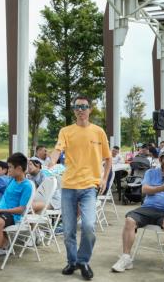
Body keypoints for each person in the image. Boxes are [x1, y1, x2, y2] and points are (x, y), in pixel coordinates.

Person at [48, 95, 112, 280]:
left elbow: (108, 159)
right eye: (77, 107)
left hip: (89, 187)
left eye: (84, 106)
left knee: (89, 226)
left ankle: (83, 260)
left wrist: (105, 179)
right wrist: (51, 162)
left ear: (90, 110)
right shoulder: (66, 131)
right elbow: (58, 149)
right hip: (68, 186)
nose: (81, 110)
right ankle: (72, 261)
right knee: (68, 229)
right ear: (74, 110)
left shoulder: (99, 132)